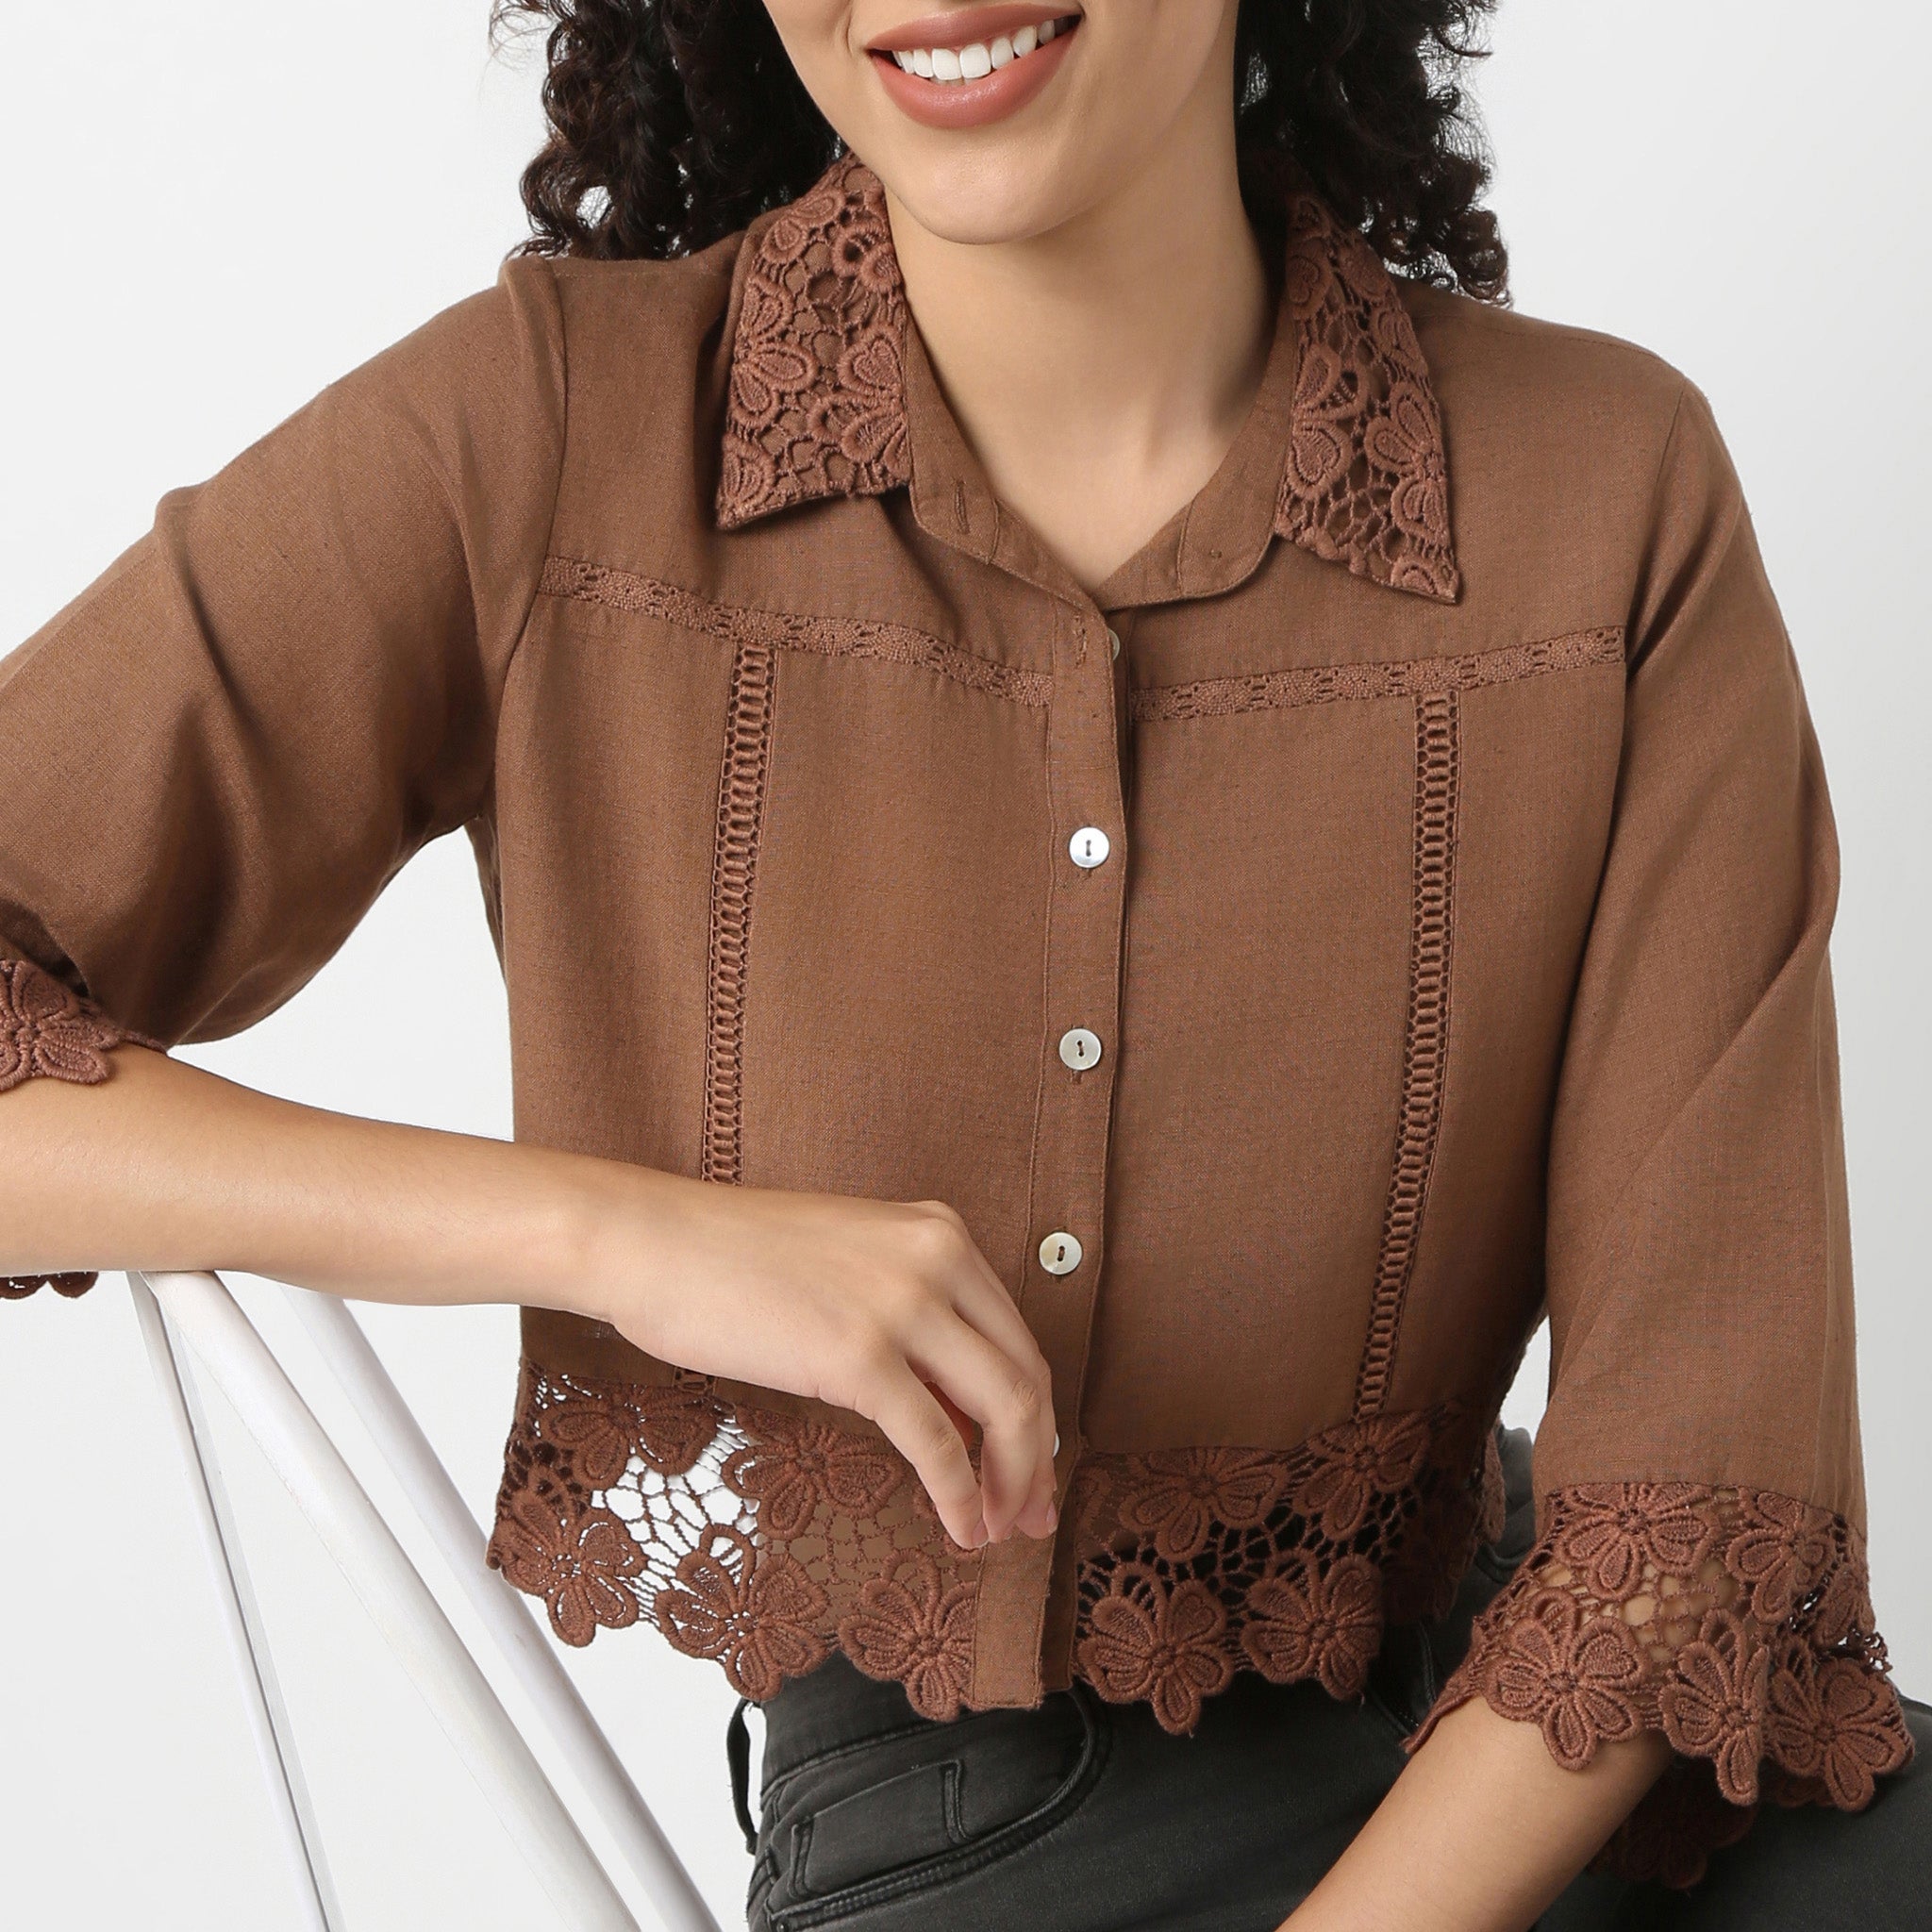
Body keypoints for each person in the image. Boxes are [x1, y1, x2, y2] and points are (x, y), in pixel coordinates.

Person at [2, 2, 1924, 1926]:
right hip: (989, 1829)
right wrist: (617, 1234)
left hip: (1559, 1759)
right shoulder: (547, 437)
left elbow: (1701, 1488)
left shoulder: (1611, 497)